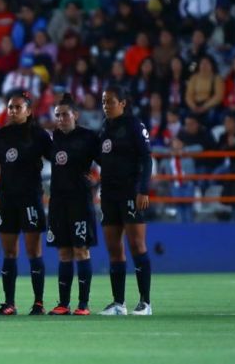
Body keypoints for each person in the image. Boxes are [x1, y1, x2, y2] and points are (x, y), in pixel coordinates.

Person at [0, 91, 53, 316]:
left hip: (30, 198)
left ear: (29, 111)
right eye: (10, 107)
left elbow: (57, 158)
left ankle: (38, 303)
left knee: (33, 251)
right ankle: (9, 303)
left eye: (18, 107)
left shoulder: (38, 135)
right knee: (9, 252)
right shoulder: (1, 135)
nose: (14, 111)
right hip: (7, 199)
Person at [98, 85, 153, 316]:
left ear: (123, 103)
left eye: (110, 101)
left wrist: (143, 190)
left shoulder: (134, 125)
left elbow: (147, 159)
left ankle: (145, 303)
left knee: (137, 245)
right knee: (114, 248)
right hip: (109, 194)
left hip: (131, 193)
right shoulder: (104, 129)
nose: (106, 105)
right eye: (103, 101)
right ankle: (118, 303)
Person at [47, 94, 100, 315]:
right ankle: (63, 303)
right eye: (57, 115)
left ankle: (83, 304)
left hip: (80, 201)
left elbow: (105, 160)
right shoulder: (52, 139)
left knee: (81, 250)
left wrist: (95, 184)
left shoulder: (89, 137)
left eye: (65, 114)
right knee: (63, 253)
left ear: (75, 115)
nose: (60, 118)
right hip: (58, 201)